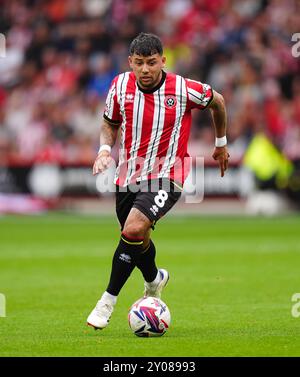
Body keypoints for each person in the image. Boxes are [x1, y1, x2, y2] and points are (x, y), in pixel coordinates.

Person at [87, 33, 229, 330]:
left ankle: (107, 301)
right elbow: (109, 123)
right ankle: (154, 280)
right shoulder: (119, 85)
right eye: (139, 63)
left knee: (134, 227)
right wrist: (103, 150)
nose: (146, 70)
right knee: (136, 238)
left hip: (169, 174)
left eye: (152, 63)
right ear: (131, 63)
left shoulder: (183, 88)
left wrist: (221, 143)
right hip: (128, 175)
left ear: (163, 61)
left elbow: (218, 102)